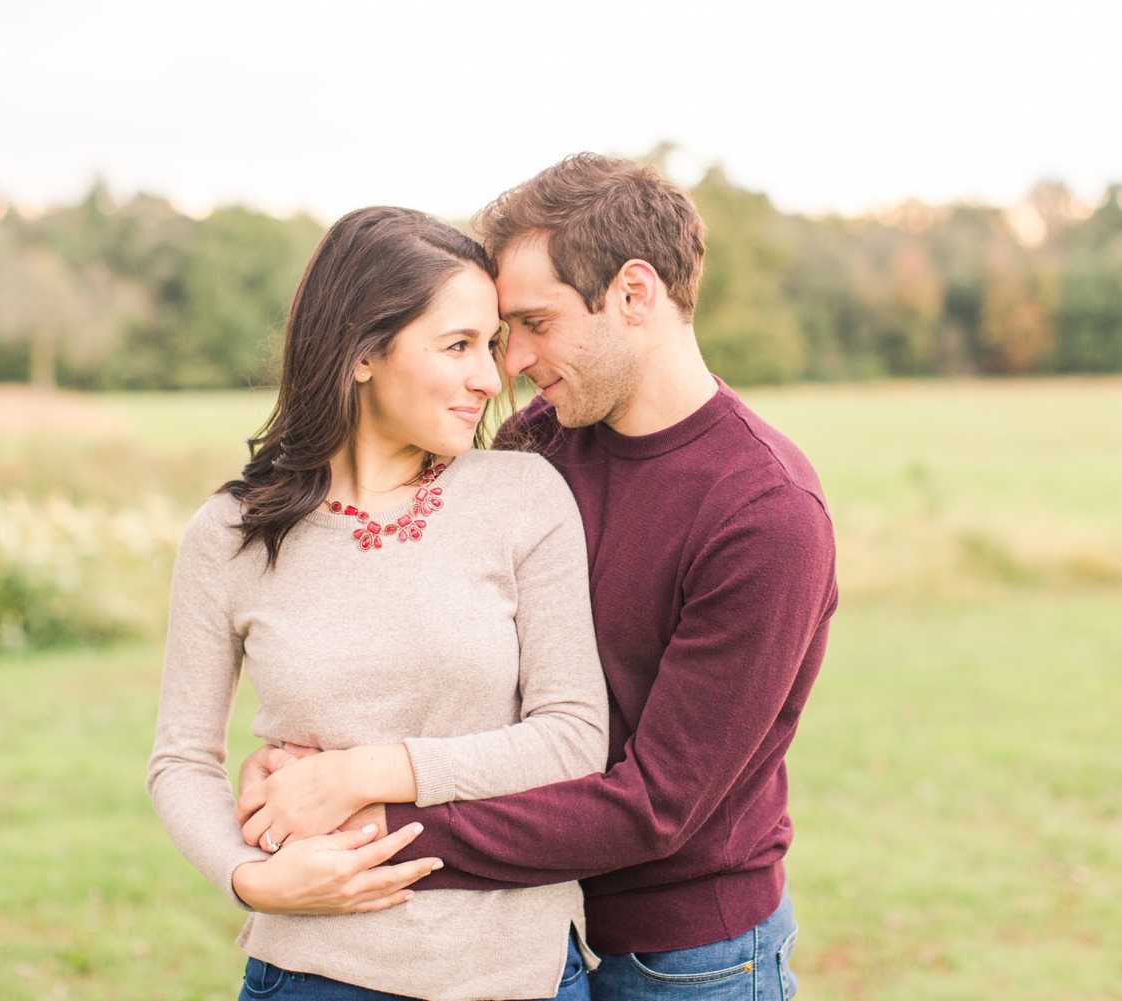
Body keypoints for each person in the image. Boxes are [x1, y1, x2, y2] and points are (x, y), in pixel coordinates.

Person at [240, 155, 838, 1001]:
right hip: (523, 931)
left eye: (533, 323)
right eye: (494, 332)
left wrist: (374, 818)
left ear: (635, 294)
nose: (510, 361)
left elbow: (655, 805)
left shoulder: (765, 511)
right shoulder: (536, 443)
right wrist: (307, 761)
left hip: (683, 956)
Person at [147, 206, 611, 1001]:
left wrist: (365, 774)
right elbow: (181, 759)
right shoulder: (230, 533)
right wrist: (250, 878)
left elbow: (573, 738)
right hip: (319, 971)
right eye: (458, 345)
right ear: (364, 353)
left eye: (491, 346)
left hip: (515, 971)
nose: (491, 379)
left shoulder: (523, 496)